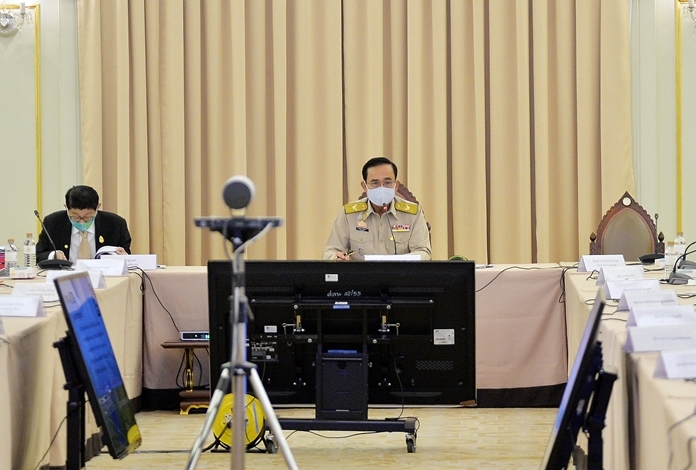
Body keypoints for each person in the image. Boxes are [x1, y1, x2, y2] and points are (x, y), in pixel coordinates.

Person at [322, 157, 432, 261]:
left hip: (401, 273)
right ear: (364, 186)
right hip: (361, 274)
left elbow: (423, 253)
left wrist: (395, 262)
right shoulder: (349, 215)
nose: (381, 188)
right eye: (375, 183)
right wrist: (336, 258)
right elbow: (330, 252)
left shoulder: (413, 214)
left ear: (396, 185)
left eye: (387, 182)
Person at [36, 185, 132, 264]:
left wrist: (124, 256)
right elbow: (37, 255)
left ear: (98, 207)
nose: (81, 222)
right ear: (66, 207)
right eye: (75, 216)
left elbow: (127, 257)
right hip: (65, 277)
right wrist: (53, 255)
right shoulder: (52, 223)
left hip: (105, 277)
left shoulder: (116, 224)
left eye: (88, 216)